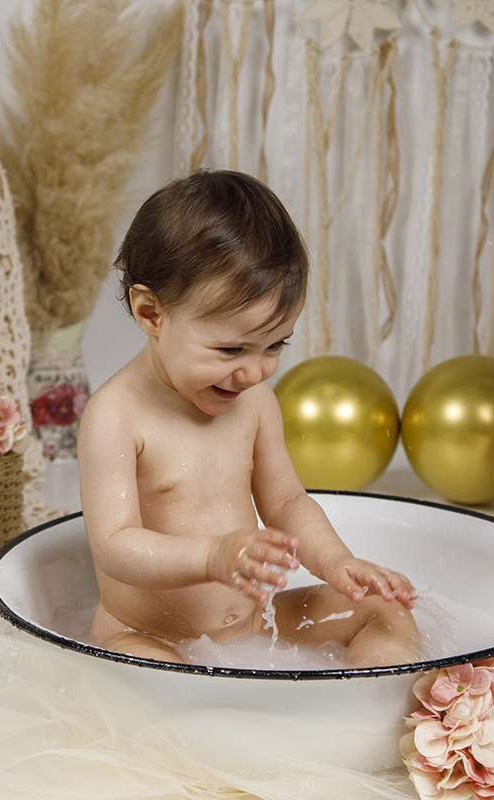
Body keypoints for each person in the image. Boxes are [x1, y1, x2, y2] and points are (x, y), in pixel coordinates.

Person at [77, 169, 421, 668]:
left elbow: (286, 502)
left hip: (255, 625)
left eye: (275, 345)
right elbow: (115, 546)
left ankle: (371, 699)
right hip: (148, 635)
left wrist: (336, 562)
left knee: (383, 611)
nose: (254, 372)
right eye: (231, 349)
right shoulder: (116, 417)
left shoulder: (254, 402)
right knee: (160, 683)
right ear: (151, 314)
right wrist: (211, 557)